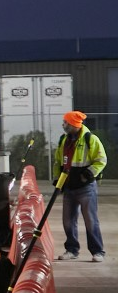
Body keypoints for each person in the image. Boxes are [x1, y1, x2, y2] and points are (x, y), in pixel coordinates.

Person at [54, 110, 107, 262]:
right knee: (68, 221)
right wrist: (58, 180)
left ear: (73, 124)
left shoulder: (91, 139)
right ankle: (71, 250)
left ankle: (97, 251)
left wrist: (88, 174)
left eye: (65, 123)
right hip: (69, 188)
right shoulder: (63, 140)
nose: (63, 125)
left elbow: (101, 160)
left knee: (91, 220)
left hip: (86, 188)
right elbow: (58, 162)